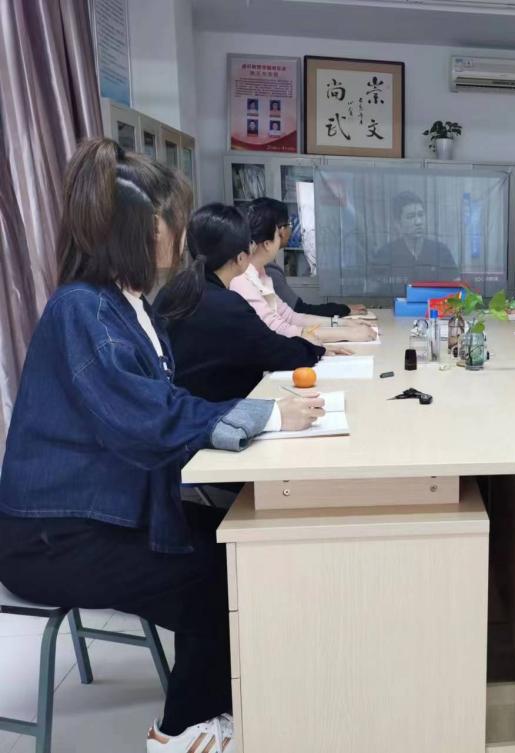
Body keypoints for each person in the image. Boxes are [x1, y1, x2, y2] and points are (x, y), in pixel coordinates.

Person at [0, 139, 324, 753]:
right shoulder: (84, 311)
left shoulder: (124, 305)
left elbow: (160, 411)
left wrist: (251, 420)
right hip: (55, 535)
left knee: (242, 542)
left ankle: (231, 696)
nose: (180, 234)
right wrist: (265, 416)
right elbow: (149, 421)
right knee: (218, 574)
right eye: (171, 220)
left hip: (103, 510)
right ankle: (182, 731)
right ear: (143, 229)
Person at [156, 203, 351, 403]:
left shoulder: (171, 292)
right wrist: (314, 348)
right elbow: (275, 351)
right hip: (219, 411)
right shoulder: (228, 305)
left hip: (179, 407)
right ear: (241, 258)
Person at [230, 201, 375, 343]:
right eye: (277, 234)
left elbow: (291, 317)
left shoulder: (260, 274)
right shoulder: (241, 280)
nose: (282, 236)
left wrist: (344, 324)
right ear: (267, 244)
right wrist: (347, 333)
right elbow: (280, 329)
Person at [249, 197, 366, 319]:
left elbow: (289, 316)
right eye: (289, 224)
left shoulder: (262, 270)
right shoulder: (266, 271)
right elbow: (298, 311)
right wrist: (342, 314)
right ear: (280, 231)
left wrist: (342, 312)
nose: (291, 229)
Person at [371, 191, 459, 294]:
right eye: (411, 217)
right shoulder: (385, 255)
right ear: (398, 224)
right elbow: (373, 294)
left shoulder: (441, 252)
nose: (418, 222)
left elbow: (457, 292)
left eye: (421, 215)